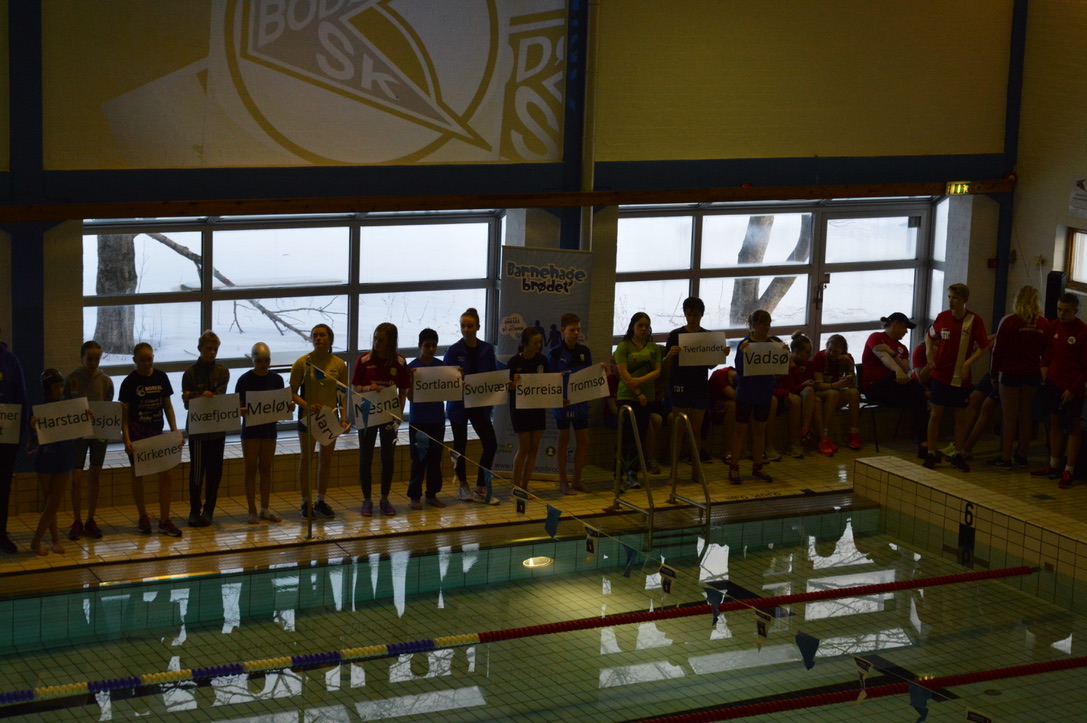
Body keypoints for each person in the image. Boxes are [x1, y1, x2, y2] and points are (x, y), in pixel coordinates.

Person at [923, 283, 989, 472]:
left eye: (955, 298)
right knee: (936, 414)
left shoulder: (974, 320)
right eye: (950, 297)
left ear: (964, 300)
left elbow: (984, 346)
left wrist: (968, 363)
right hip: (940, 374)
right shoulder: (942, 317)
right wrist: (929, 351)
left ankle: (958, 453)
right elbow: (929, 335)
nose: (951, 301)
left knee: (960, 416)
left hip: (960, 376)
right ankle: (931, 452)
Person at [119, 342, 181, 537]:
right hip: (138, 435)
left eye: (150, 359)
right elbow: (124, 415)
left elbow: (168, 406)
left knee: (167, 475)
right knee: (138, 475)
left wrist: (174, 431)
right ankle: (142, 516)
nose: (147, 363)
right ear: (134, 360)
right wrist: (126, 439)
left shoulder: (161, 377)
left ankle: (164, 520)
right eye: (142, 360)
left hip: (156, 433)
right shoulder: (129, 382)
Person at [290, 323, 349, 519]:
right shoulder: (302, 363)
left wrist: (344, 419)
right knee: (306, 459)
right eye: (315, 335)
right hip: (307, 418)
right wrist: (306, 405)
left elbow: (342, 395)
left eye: (322, 335)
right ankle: (305, 502)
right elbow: (291, 393)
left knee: (326, 460)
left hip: (329, 418)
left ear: (330, 339)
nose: (318, 338)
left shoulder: (339, 365)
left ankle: (320, 500)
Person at [352, 322, 409, 517]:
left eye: (381, 340)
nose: (377, 343)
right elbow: (355, 388)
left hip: (388, 416)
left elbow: (403, 392)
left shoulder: (399, 362)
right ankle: (366, 499)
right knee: (365, 457)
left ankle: (384, 499)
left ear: (391, 342)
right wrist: (368, 388)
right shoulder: (364, 360)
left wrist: (398, 415)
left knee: (387, 457)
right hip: (367, 415)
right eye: (375, 338)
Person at [445, 308, 500, 504]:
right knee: (460, 446)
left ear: (478, 327)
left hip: (479, 404)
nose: (466, 330)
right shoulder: (453, 350)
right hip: (459, 406)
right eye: (463, 326)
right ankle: (463, 485)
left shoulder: (486, 349)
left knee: (490, 444)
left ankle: (481, 487)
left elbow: (493, 376)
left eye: (470, 326)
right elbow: (445, 379)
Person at [989, 285, 1047, 469]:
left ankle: (1005, 457)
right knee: (1026, 415)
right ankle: (1022, 455)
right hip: (1032, 374)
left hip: (1010, 373)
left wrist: (993, 374)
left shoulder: (1009, 321)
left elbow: (998, 351)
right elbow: (1046, 352)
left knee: (1009, 417)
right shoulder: (1043, 324)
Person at [1032, 293, 1087, 488]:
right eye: (1059, 309)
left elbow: (1085, 368)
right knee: (1054, 422)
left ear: (1075, 311)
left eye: (1066, 311)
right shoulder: (1053, 326)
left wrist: (1073, 389)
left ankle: (1069, 470)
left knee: (1072, 427)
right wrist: (1044, 366)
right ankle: (1054, 464)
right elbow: (1049, 349)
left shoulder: (1082, 332)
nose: (1061, 314)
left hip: (1072, 387)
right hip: (1054, 383)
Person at [64, 340, 113, 540]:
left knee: (95, 475)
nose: (93, 363)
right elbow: (64, 407)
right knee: (76, 477)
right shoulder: (72, 379)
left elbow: (108, 407)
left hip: (98, 433)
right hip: (77, 433)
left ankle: (90, 519)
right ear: (81, 357)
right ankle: (77, 520)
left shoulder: (105, 381)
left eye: (97, 359)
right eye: (90, 359)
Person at [729, 310, 786, 484]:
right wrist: (742, 354)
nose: (766, 328)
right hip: (746, 392)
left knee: (760, 430)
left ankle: (757, 465)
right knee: (740, 430)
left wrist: (785, 353)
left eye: (768, 324)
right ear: (753, 325)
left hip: (764, 391)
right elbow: (739, 369)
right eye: (762, 325)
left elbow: (781, 368)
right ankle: (734, 467)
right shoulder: (745, 344)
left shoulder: (774, 342)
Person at [236, 342, 290, 524]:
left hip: (268, 430)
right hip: (250, 430)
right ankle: (252, 510)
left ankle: (265, 509)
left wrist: (288, 407)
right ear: (253, 360)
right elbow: (237, 407)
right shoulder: (244, 380)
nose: (263, 364)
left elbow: (280, 405)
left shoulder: (277, 379)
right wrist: (242, 410)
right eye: (259, 361)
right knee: (250, 469)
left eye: (266, 360)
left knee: (266, 468)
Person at [861, 312, 929, 455]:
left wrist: (892, 353)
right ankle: (927, 393)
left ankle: (924, 443)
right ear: (895, 324)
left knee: (919, 399)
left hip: (893, 390)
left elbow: (905, 367)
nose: (906, 332)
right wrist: (897, 371)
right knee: (897, 378)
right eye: (904, 327)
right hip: (875, 388)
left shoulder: (901, 347)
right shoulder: (876, 337)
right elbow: (883, 356)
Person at [181, 330, 230, 527]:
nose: (212, 353)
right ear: (199, 348)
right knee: (197, 472)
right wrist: (198, 396)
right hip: (198, 431)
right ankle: (194, 510)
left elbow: (219, 398)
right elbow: (187, 403)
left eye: (215, 349)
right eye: (209, 349)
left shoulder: (222, 372)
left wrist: (195, 395)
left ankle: (209, 510)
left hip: (216, 429)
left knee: (214, 472)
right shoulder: (190, 373)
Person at [664, 297, 714, 464]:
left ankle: (695, 470)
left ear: (701, 315)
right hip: (680, 385)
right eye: (689, 315)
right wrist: (670, 355)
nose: (692, 319)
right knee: (679, 430)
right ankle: (674, 469)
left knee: (696, 430)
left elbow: (711, 365)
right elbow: (665, 364)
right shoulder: (675, 335)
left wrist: (721, 355)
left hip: (699, 385)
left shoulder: (707, 336)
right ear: (685, 315)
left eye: (696, 315)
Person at [615, 312, 662, 485]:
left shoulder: (654, 348)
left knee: (640, 437)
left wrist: (640, 382)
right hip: (627, 396)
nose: (643, 329)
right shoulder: (624, 347)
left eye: (646, 326)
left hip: (646, 398)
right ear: (632, 327)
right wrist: (638, 392)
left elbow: (657, 371)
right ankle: (618, 473)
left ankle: (633, 472)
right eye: (640, 325)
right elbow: (624, 373)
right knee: (626, 436)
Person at [549, 313, 593, 494]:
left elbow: (589, 376)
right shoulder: (555, 353)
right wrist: (558, 399)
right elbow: (550, 381)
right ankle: (563, 481)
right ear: (563, 331)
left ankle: (576, 480)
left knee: (584, 441)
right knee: (563, 439)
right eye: (572, 330)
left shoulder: (585, 352)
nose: (576, 333)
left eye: (578, 330)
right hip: (563, 404)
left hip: (580, 402)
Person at [30, 370, 71, 555]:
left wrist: (86, 419)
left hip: (63, 457)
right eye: (56, 387)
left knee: (54, 501)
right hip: (45, 457)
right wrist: (32, 427)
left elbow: (78, 431)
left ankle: (37, 540)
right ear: (47, 389)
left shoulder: (68, 408)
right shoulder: (39, 410)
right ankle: (54, 540)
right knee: (49, 502)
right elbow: (32, 438)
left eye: (61, 386)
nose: (60, 390)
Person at [406, 329, 447, 510]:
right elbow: (410, 397)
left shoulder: (441, 367)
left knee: (435, 459)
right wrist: (412, 381)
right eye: (427, 345)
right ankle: (415, 496)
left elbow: (449, 390)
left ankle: (432, 494)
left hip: (437, 419)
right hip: (419, 421)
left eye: (433, 346)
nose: (430, 349)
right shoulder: (412, 368)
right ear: (419, 346)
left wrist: (457, 378)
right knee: (418, 460)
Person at [508, 326, 549, 492]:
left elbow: (548, 383)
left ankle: (525, 486)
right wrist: (513, 384)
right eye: (535, 343)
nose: (538, 346)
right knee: (524, 448)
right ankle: (516, 486)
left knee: (534, 448)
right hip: (520, 410)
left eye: (540, 342)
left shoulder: (542, 361)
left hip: (537, 407)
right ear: (525, 343)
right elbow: (507, 387)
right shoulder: (514, 362)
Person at [0, 325, 29, 554]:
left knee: (3, 487)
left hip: (5, 437)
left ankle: (1, 533)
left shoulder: (10, 361)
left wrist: (19, 434)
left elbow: (21, 398)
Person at [812, 334, 862, 451]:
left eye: (835, 352)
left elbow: (853, 385)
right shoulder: (820, 357)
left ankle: (853, 432)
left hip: (835, 394)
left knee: (854, 393)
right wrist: (835, 385)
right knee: (833, 393)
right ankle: (823, 436)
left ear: (842, 351)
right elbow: (818, 385)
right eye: (829, 350)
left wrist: (850, 366)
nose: (831, 354)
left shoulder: (847, 359)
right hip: (820, 394)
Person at [777, 332, 818, 458]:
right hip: (783, 396)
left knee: (814, 397)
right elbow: (791, 389)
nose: (810, 355)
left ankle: (806, 430)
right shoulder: (785, 363)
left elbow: (804, 383)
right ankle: (794, 442)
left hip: (797, 394)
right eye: (807, 352)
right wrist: (793, 367)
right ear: (796, 351)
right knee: (798, 399)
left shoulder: (806, 363)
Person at [708, 365, 736, 462]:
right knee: (733, 407)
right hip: (712, 405)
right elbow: (735, 396)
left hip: (726, 403)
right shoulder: (719, 375)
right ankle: (727, 450)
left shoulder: (737, 372)